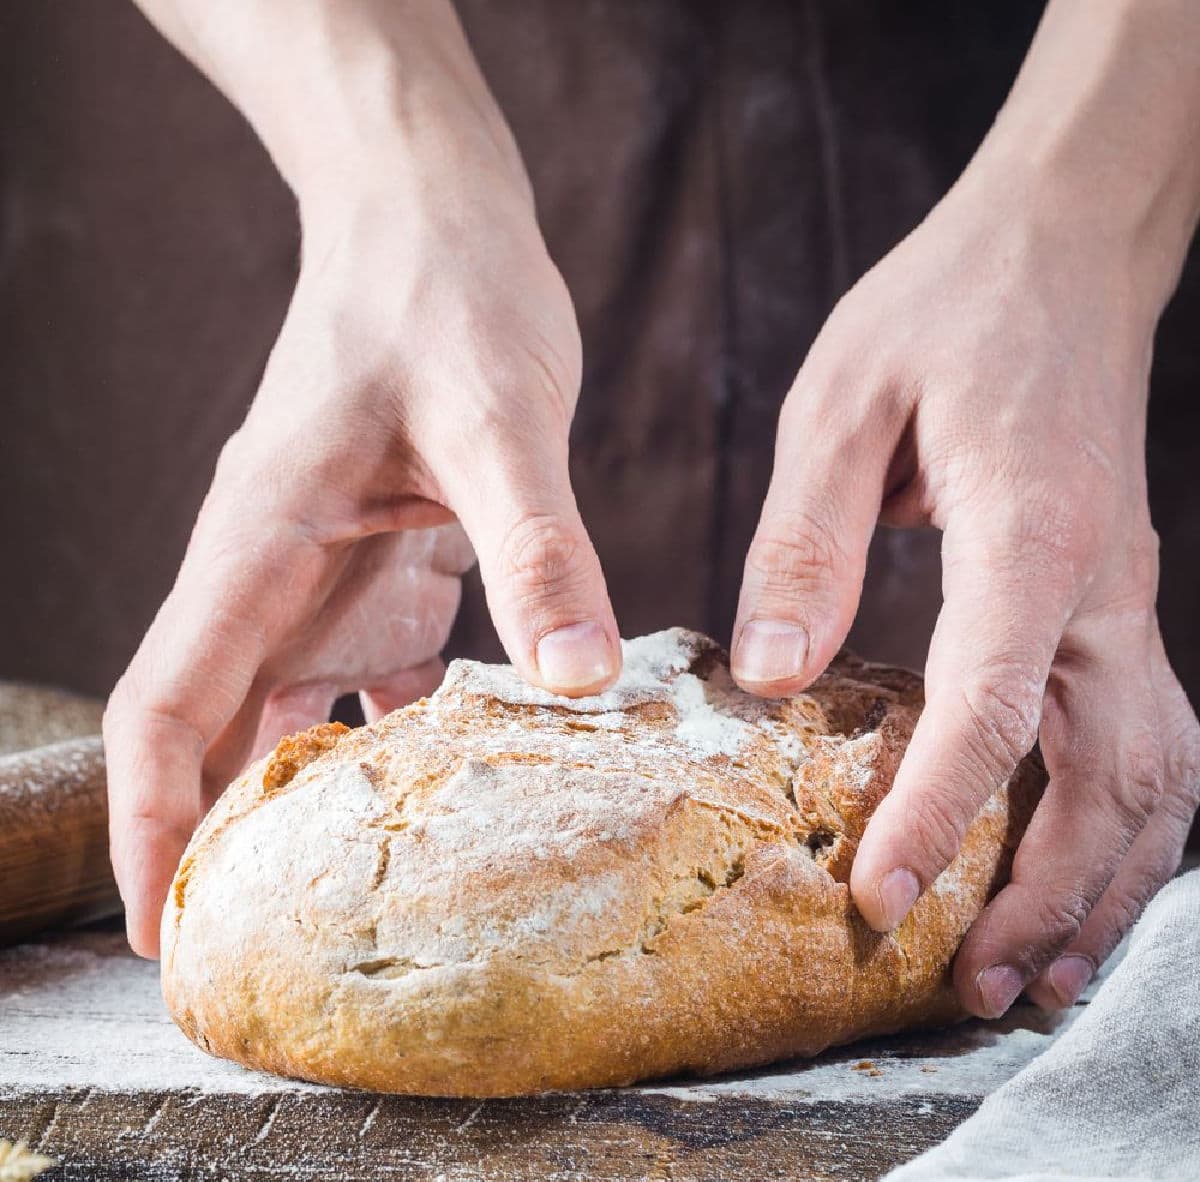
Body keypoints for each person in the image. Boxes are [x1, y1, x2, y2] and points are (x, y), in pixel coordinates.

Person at [102, 0, 1200, 1024]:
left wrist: (1090, 201)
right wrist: (386, 172)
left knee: (1025, 789)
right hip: (419, 152)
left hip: (1051, 187)